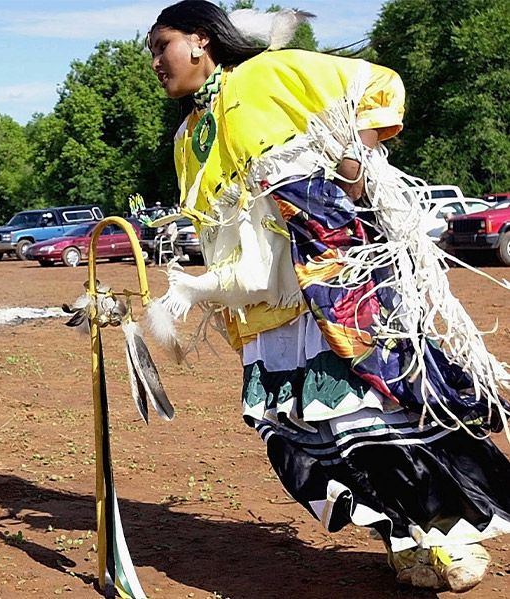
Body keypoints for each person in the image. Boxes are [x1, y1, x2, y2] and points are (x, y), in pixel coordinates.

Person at [146, 1, 510, 593]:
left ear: (201, 40)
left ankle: (450, 529)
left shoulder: (266, 74)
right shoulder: (190, 133)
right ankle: (402, 540)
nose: (156, 62)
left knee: (369, 409)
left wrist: (352, 162)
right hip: (264, 307)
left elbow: (377, 85)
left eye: (162, 45)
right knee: (307, 432)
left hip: (331, 283)